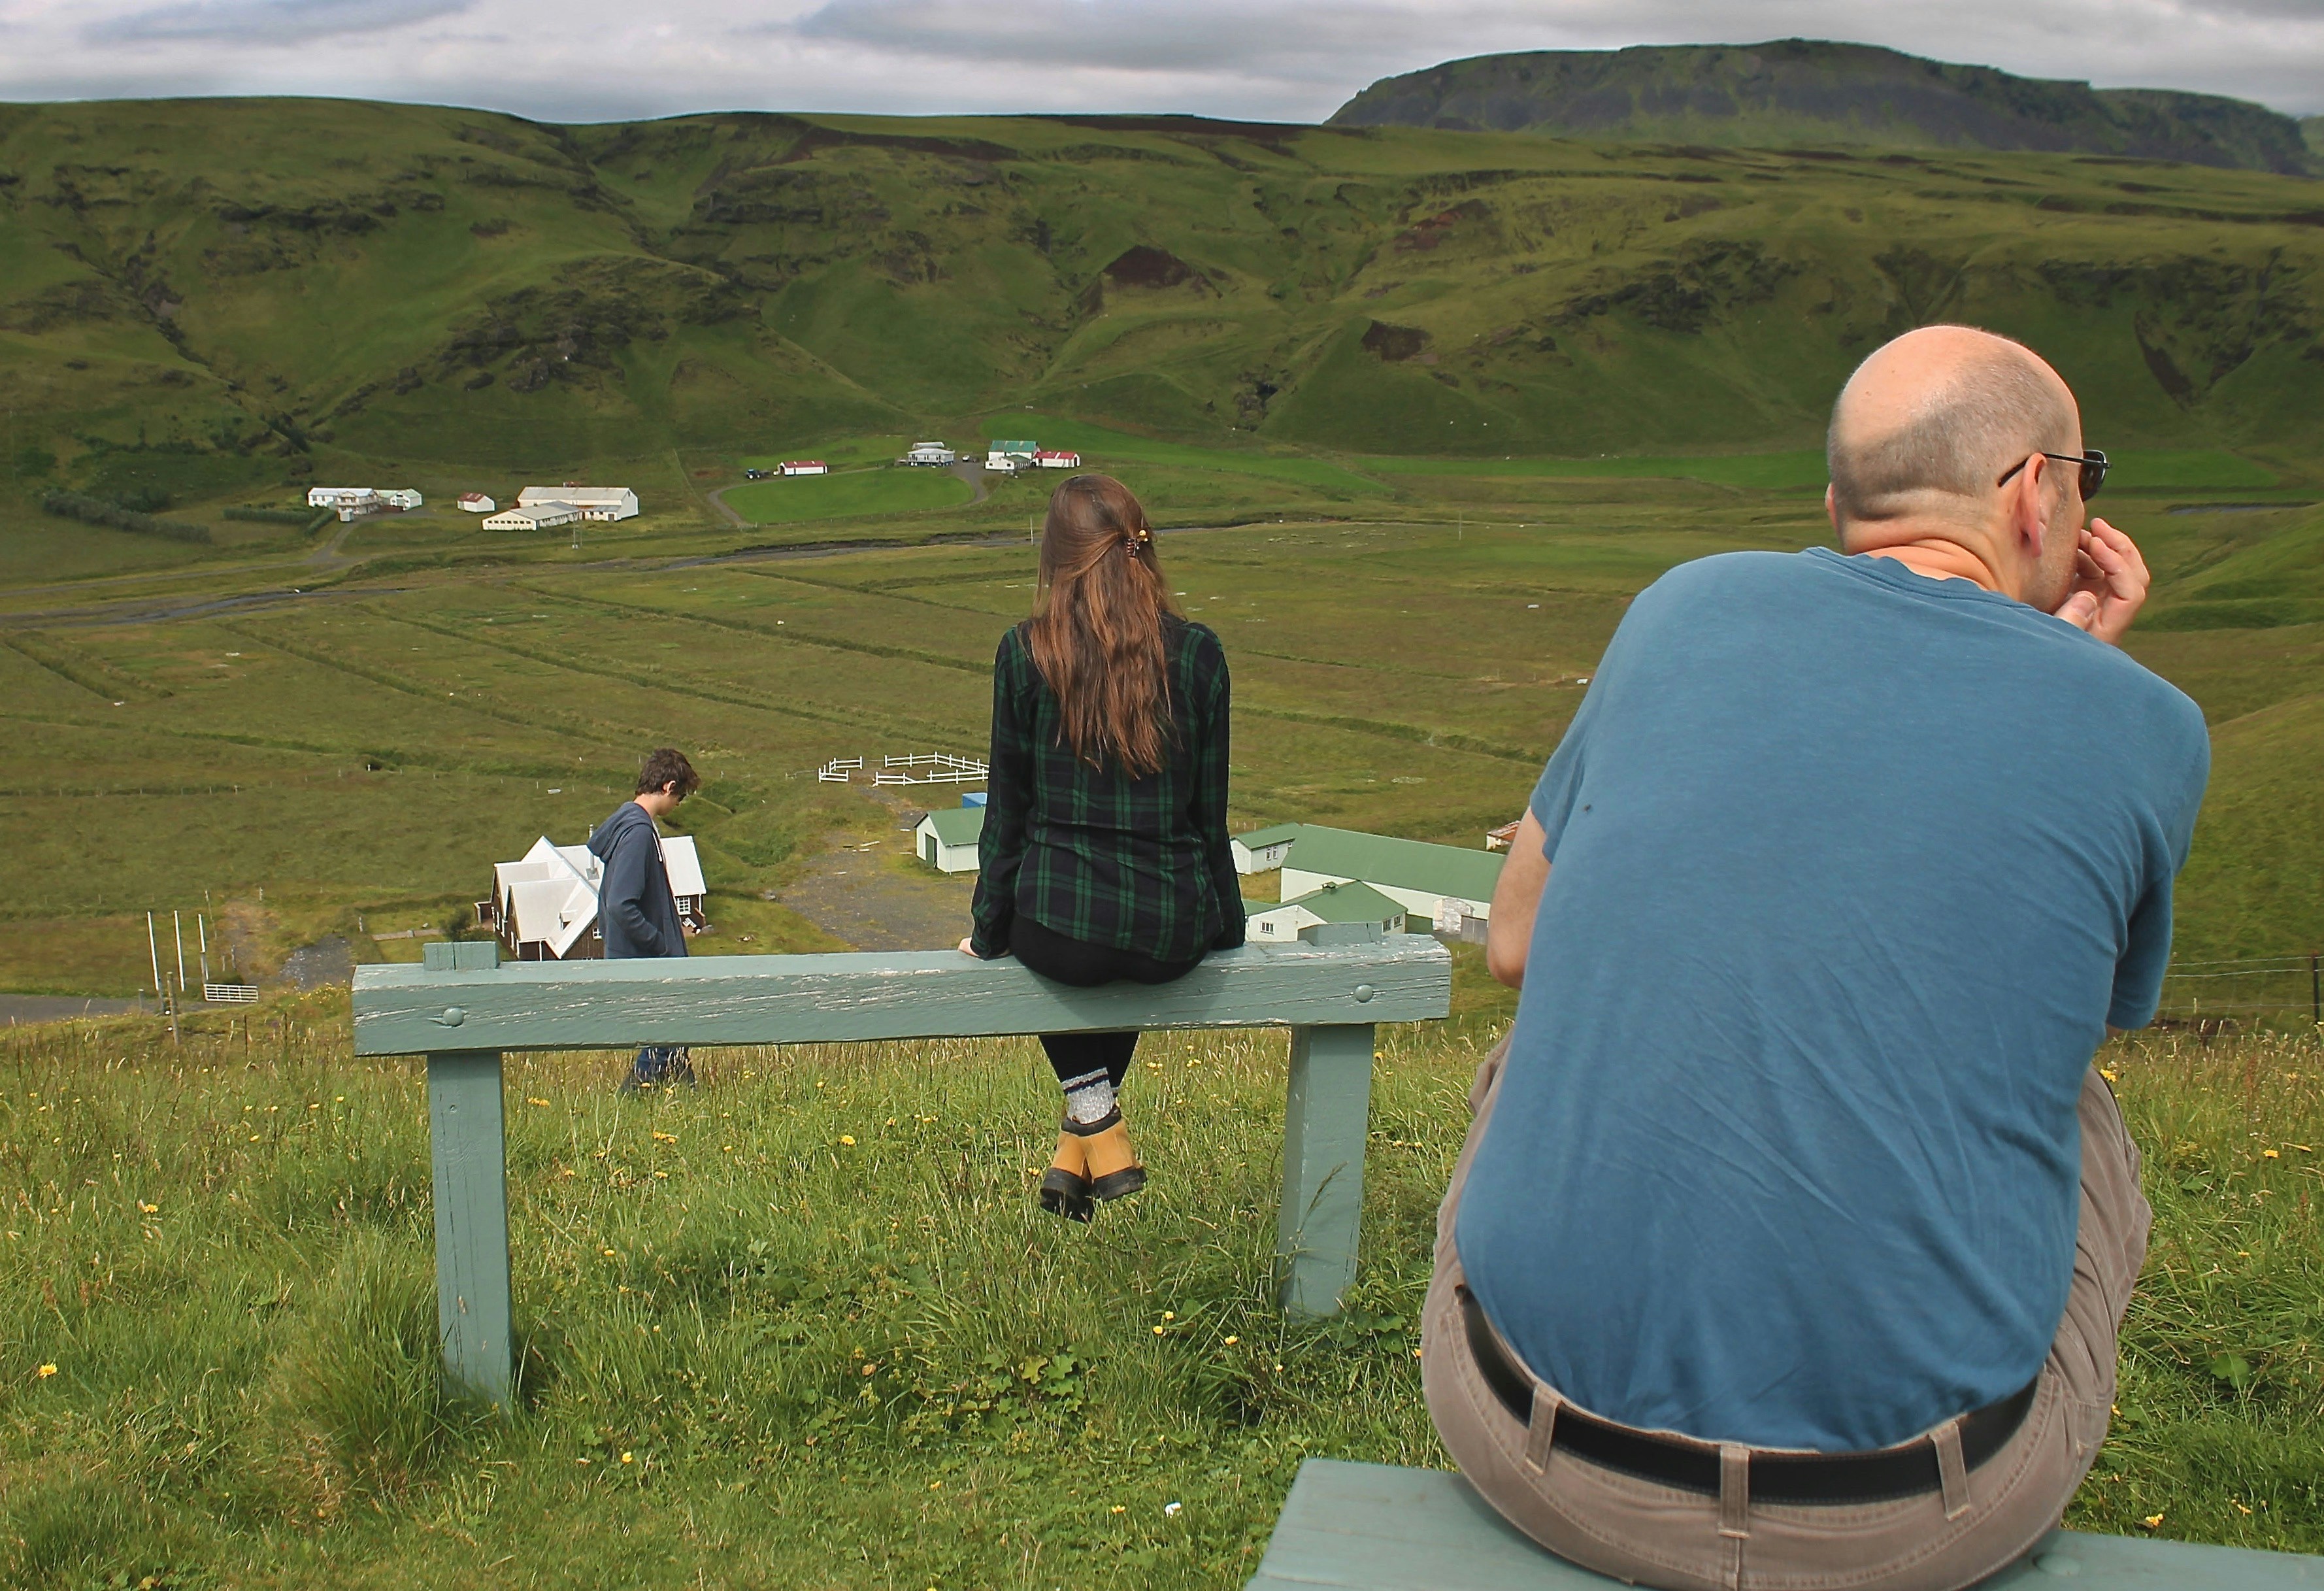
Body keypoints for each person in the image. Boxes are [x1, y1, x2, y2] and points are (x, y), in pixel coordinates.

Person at [1422, 326, 2210, 1591]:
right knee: (2085, 1121)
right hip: (1918, 1515)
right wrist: (2068, 663)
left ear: (1838, 502)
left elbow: (1514, 940)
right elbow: (2022, 993)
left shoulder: (1677, 610)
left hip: (1525, 1445)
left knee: (1536, 1048)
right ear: (2033, 493)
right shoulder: (2142, 728)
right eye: (2083, 474)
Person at [959, 474, 1243, 1221]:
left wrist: (989, 930)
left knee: (1066, 936)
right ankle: (1076, 1156)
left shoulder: (1025, 653)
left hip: (1059, 931)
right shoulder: (1200, 654)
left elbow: (1008, 811)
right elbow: (1208, 816)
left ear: (1056, 558)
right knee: (1128, 932)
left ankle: (1093, 1110)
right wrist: (1225, 924)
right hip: (1170, 934)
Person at [589, 748, 701, 1092]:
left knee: (671, 1041)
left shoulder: (630, 824)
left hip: (641, 960)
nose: (677, 804)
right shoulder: (638, 833)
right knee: (665, 1043)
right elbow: (621, 904)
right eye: (680, 797)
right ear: (668, 787)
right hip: (649, 961)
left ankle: (682, 1099)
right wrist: (661, 944)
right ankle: (637, 1099)